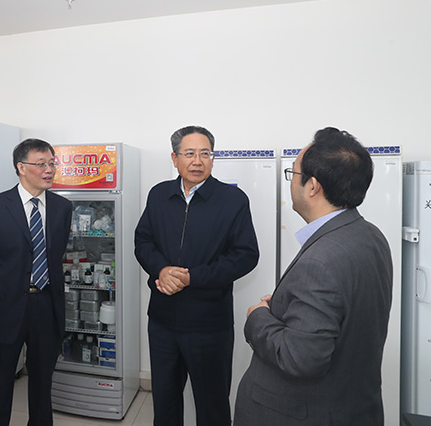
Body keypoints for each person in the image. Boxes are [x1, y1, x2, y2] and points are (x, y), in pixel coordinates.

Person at [234, 127, 393, 426]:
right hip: (351, 405)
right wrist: (286, 306)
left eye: (293, 174)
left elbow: (300, 358)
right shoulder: (370, 236)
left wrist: (258, 316)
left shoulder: (321, 262)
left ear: (312, 186)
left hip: (300, 413)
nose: (291, 182)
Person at [135, 125, 259, 426]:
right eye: (189, 153)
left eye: (205, 154)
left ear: (213, 158)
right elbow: (143, 241)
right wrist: (162, 270)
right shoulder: (159, 194)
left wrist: (193, 277)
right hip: (162, 321)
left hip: (209, 325)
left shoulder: (233, 199)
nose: (197, 161)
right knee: (164, 403)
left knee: (212, 406)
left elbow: (245, 255)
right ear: (175, 158)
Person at [0, 138, 72, 426]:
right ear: (21, 167)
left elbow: (55, 254)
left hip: (47, 305)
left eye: (52, 163)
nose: (49, 170)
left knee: (42, 381)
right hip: (6, 305)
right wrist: (7, 285)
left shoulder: (62, 207)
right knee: (0, 380)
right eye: (41, 164)